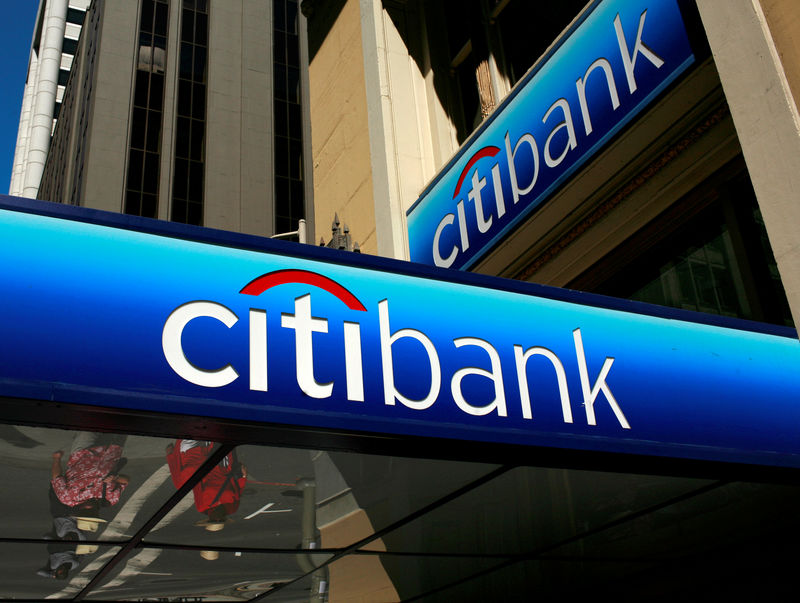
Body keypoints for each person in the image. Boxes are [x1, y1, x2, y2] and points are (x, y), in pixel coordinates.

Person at [166, 440, 247, 531]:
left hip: (205, 462)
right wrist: (243, 477)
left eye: (213, 520)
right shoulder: (232, 508)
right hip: (223, 465)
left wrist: (173, 459)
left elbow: (197, 485)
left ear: (209, 519)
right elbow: (238, 490)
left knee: (180, 483)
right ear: (225, 519)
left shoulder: (202, 506)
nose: (217, 518)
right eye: (220, 520)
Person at [50, 432, 129, 509]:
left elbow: (57, 477)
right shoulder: (109, 500)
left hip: (83, 452)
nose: (90, 509)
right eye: (92, 513)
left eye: (86, 513)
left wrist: (56, 459)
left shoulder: (67, 498)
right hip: (112, 450)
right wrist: (115, 478)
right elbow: (126, 480)